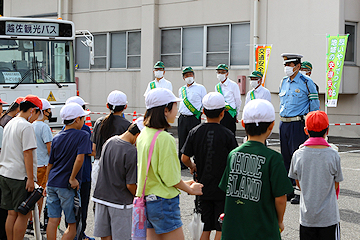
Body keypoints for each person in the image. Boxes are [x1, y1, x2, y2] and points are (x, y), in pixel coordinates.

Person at [219, 99, 293, 239]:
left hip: (233, 230)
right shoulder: (273, 158)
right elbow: (281, 198)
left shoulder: (233, 155)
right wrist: (280, 221)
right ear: (272, 126)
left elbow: (226, 190)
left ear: (243, 124)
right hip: (263, 230)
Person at [136, 88, 203, 240]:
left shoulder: (144, 134)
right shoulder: (165, 138)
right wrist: (190, 189)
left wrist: (184, 183)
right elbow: (171, 178)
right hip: (164, 202)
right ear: (166, 110)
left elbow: (156, 174)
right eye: (175, 106)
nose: (177, 110)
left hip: (148, 200)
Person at [181, 92, 238, 240]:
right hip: (222, 187)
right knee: (221, 227)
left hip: (201, 186)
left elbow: (184, 158)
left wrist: (192, 165)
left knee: (204, 228)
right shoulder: (228, 134)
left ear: (203, 112)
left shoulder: (195, 132)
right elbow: (235, 160)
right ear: (223, 113)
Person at [289, 110, 343, 240]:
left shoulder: (298, 154)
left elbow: (298, 183)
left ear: (306, 130)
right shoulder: (333, 155)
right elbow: (336, 183)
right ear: (327, 131)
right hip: (329, 217)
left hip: (307, 216)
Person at [45, 103, 92, 240]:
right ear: (77, 119)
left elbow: (50, 163)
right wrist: (72, 178)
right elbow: (79, 159)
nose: (83, 121)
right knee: (72, 224)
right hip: (66, 185)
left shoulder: (57, 137)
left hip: (53, 182)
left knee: (53, 221)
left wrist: (47, 182)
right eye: (83, 118)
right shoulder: (82, 135)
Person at [0, 95, 43, 240]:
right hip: (19, 176)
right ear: (33, 110)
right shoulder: (26, 126)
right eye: (38, 113)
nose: (37, 118)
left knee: (11, 213)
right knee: (23, 214)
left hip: (5, 174)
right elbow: (27, 153)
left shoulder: (10, 123)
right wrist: (31, 178)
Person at [279, 53, 320, 204]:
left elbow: (314, 107)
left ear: (297, 66)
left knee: (299, 158)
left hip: (298, 123)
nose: (286, 68)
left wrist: (311, 126)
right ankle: (289, 189)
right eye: (285, 65)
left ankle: (299, 191)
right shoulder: (283, 81)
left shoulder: (306, 82)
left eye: (289, 65)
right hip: (284, 123)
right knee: (286, 157)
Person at [92, 120, 143, 240]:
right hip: (120, 203)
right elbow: (130, 185)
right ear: (138, 135)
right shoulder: (131, 151)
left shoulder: (110, 141)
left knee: (105, 237)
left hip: (101, 198)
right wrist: (141, 197)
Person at [65, 96, 95, 240]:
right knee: (82, 206)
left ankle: (72, 234)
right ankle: (80, 234)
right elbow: (89, 151)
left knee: (71, 209)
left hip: (69, 174)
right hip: (83, 174)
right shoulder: (84, 129)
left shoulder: (64, 130)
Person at [91, 90, 131, 189]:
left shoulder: (99, 122)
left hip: (98, 166)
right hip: (118, 168)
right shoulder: (127, 126)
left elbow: (93, 149)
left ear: (107, 105)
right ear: (125, 107)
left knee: (99, 201)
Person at [31, 98, 54, 231]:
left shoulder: (31, 124)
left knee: (31, 195)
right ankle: (36, 222)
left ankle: (30, 221)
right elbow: (50, 149)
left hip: (34, 164)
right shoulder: (44, 127)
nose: (50, 113)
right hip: (44, 165)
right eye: (49, 110)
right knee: (39, 197)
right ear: (43, 111)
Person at [178, 66, 207, 169]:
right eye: (186, 75)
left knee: (195, 140)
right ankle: (182, 163)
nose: (188, 77)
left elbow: (204, 102)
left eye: (190, 75)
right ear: (183, 78)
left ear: (193, 76)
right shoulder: (181, 89)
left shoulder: (200, 88)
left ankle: (196, 161)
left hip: (194, 117)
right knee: (182, 140)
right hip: (182, 117)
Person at [214, 64, 241, 134]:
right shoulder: (217, 86)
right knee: (220, 134)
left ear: (227, 74)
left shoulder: (233, 85)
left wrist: (236, 114)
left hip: (230, 113)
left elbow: (238, 100)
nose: (220, 74)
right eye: (219, 72)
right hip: (220, 113)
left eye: (222, 72)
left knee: (230, 134)